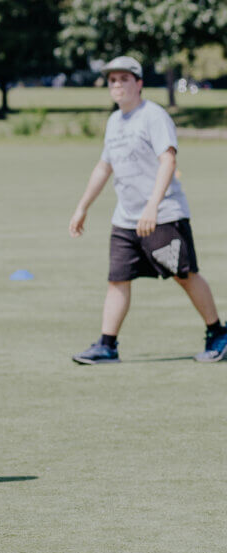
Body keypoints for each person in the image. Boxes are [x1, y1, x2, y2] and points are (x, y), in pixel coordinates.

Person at [69, 55, 227, 364]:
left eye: (124, 79)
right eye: (113, 80)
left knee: (184, 275)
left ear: (139, 83)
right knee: (117, 279)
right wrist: (82, 207)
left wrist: (152, 208)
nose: (117, 85)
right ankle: (107, 345)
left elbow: (168, 159)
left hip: (163, 216)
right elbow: (104, 167)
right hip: (126, 220)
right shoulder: (115, 121)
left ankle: (219, 333)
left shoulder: (153, 116)